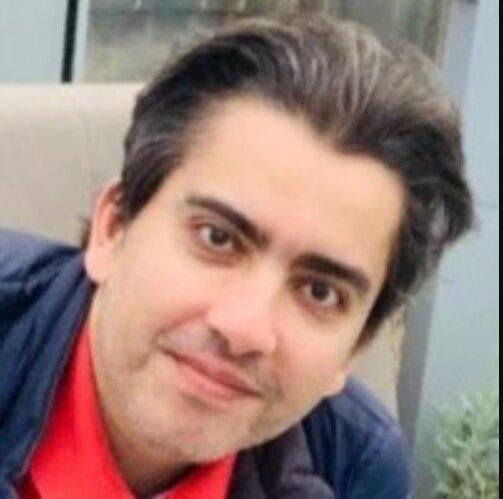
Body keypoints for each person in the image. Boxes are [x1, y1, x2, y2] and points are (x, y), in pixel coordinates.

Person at [0, 15, 473, 499]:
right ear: (113, 230)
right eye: (217, 238)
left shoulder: (355, 469)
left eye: (319, 292)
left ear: (353, 350)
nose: (244, 328)